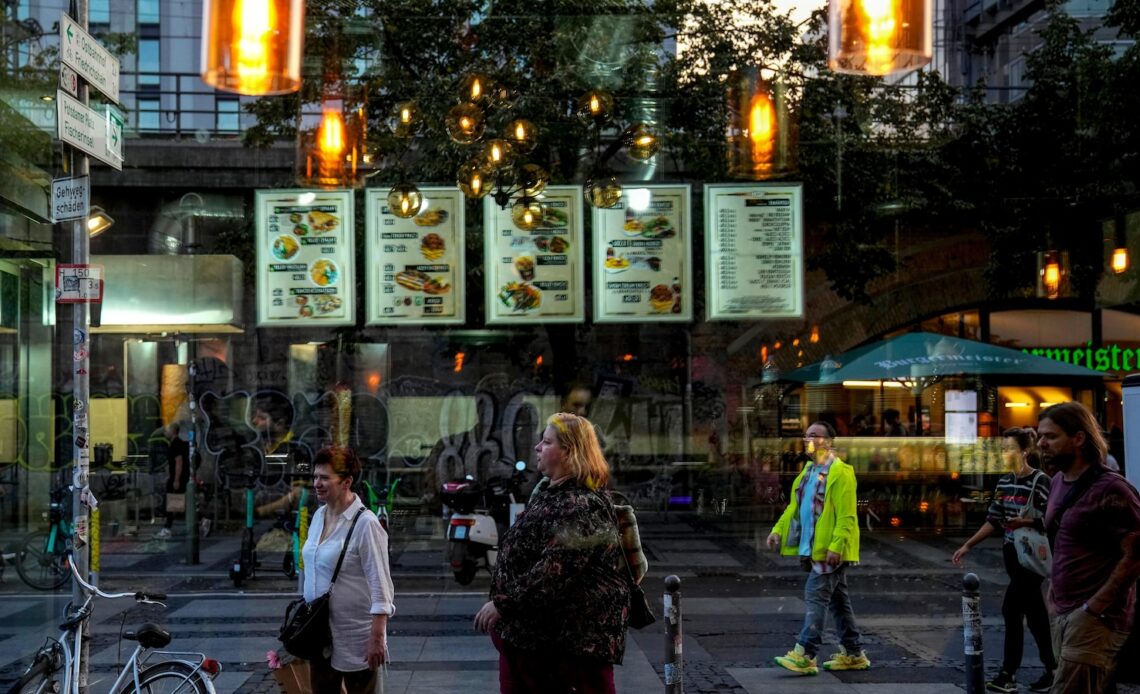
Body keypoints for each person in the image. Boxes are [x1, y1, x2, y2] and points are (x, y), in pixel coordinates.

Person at [474, 412, 629, 693]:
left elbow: (554, 572)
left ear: (569, 453)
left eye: (546, 442)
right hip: (536, 645)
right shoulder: (550, 493)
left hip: (567, 651)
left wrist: (502, 604)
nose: (537, 447)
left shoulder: (580, 505)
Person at [1038, 402, 1140, 694]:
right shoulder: (1058, 481)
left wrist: (1093, 607)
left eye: (1051, 436)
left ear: (1079, 438)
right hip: (1064, 612)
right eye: (1039, 435)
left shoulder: (1111, 489)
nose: (1041, 443)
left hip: (1097, 619)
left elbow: (1136, 554)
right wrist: (1054, 592)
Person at [952, 427, 1055, 693]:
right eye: (1002, 448)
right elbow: (994, 519)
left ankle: (1007, 674)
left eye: (1008, 448)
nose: (1004, 453)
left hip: (1033, 558)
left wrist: (1026, 521)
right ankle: (1053, 669)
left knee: (1011, 609)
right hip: (1012, 554)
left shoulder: (1040, 481)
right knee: (1035, 615)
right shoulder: (1004, 482)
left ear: (1024, 451)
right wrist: (968, 545)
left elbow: (1053, 520)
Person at [766, 421, 870, 675]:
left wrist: (837, 546)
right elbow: (794, 508)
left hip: (829, 551)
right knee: (838, 602)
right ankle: (854, 653)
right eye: (807, 435)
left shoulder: (841, 472)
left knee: (816, 596)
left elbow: (847, 516)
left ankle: (805, 652)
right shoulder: (809, 471)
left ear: (829, 441)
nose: (809, 439)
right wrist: (777, 531)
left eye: (816, 435)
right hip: (814, 548)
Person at [302, 446, 394, 693]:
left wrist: (377, 638)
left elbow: (380, 584)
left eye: (324, 478)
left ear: (346, 482)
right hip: (319, 632)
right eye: (315, 477)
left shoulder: (366, 524)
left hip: (355, 635)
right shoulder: (319, 516)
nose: (317, 483)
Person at [157, 422, 190, 539]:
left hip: (177, 478)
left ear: (173, 431)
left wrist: (176, 479)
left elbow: (179, 462)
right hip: (177, 477)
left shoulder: (176, 444)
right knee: (176, 503)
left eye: (167, 430)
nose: (165, 432)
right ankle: (202, 520)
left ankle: (167, 528)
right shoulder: (177, 443)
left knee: (171, 503)